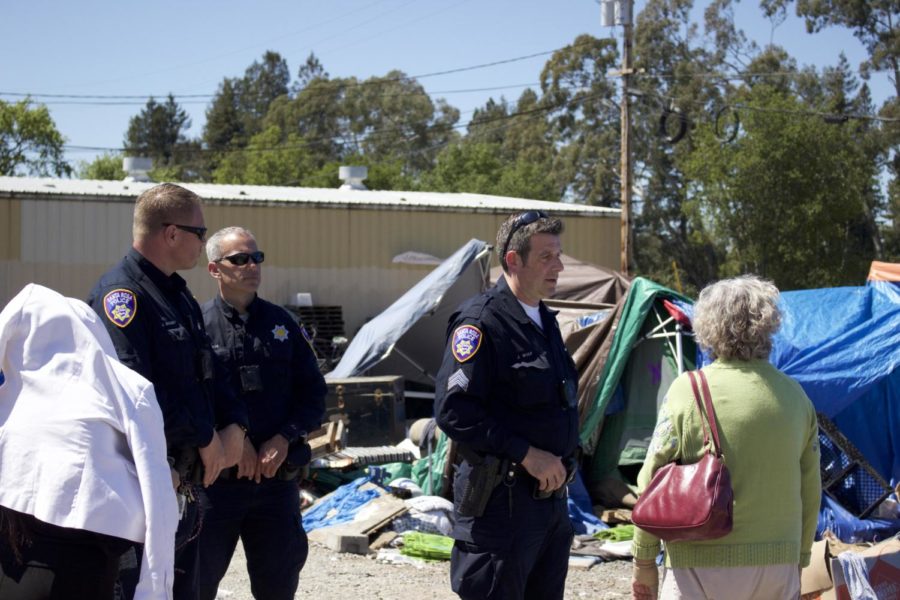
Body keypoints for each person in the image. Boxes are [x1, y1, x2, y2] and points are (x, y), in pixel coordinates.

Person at [87, 183, 248, 599]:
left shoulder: (177, 294)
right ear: (171, 233)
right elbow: (134, 392)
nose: (203, 242)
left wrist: (233, 424)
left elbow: (208, 370)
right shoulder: (123, 298)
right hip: (146, 485)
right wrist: (202, 435)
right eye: (200, 232)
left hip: (183, 485)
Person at [631, 275, 822, 600]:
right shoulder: (796, 397)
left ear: (707, 327)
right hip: (777, 564)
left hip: (698, 562)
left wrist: (644, 559)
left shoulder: (686, 391)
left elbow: (651, 480)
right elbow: (810, 488)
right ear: (769, 326)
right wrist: (800, 558)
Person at [434, 211, 580, 600]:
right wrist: (527, 454)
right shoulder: (481, 323)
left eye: (559, 255)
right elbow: (453, 410)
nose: (559, 266)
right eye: (547, 256)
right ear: (513, 260)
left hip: (548, 510)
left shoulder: (544, 321)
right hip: (502, 508)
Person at [0, 284, 178, 599]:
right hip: (86, 555)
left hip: (27, 557)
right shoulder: (125, 389)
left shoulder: (11, 397)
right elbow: (157, 491)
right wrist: (154, 586)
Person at [196, 226, 326, 600]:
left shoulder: (282, 324)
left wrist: (284, 437)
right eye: (240, 259)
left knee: (278, 586)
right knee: (195, 583)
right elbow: (191, 397)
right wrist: (233, 442)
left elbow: (313, 393)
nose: (252, 266)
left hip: (274, 484)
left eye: (257, 257)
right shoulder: (197, 326)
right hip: (216, 484)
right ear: (214, 269)